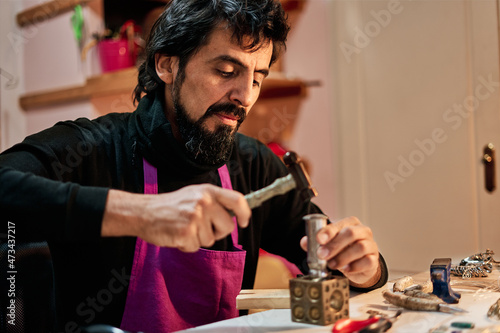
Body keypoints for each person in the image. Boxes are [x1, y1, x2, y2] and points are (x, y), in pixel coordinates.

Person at [0, 0, 388, 332]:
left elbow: (330, 263)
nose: (244, 97)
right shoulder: (93, 148)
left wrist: (364, 268)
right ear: (167, 66)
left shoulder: (253, 164)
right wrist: (137, 214)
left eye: (257, 77)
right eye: (226, 71)